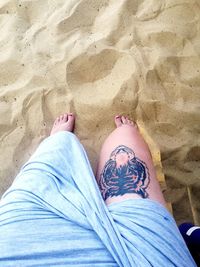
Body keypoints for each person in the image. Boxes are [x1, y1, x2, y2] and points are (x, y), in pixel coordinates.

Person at [0, 113, 196, 267]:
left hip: (16, 239)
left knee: (44, 170)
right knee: (124, 145)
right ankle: (117, 134)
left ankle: (59, 139)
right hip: (144, 255)